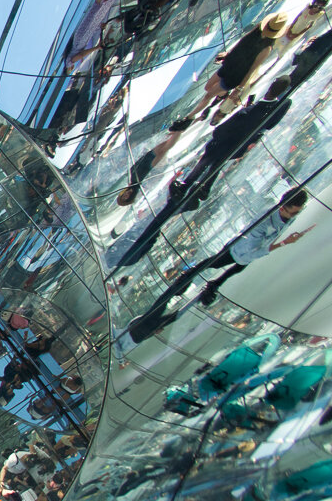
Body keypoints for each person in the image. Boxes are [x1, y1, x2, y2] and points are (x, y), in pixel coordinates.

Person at [117, 76, 293, 268]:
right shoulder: (263, 107)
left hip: (230, 141)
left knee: (210, 161)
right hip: (228, 141)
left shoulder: (265, 108)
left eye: (124, 196)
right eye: (127, 197)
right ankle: (197, 184)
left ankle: (197, 184)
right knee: (209, 161)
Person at [126, 188, 310, 343]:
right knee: (214, 266)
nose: (294, 216)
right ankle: (187, 282)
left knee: (216, 270)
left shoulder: (285, 219)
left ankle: (192, 282)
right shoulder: (265, 221)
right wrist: (284, 243)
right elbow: (250, 253)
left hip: (241, 257)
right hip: (238, 253)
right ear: (284, 207)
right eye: (293, 212)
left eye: (297, 212)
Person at [174, 13, 288, 127]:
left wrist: (239, 88)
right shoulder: (257, 29)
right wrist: (228, 54)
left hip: (235, 76)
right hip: (229, 64)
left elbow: (252, 69)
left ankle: (189, 117)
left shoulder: (266, 48)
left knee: (208, 95)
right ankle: (222, 94)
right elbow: (241, 42)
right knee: (207, 87)